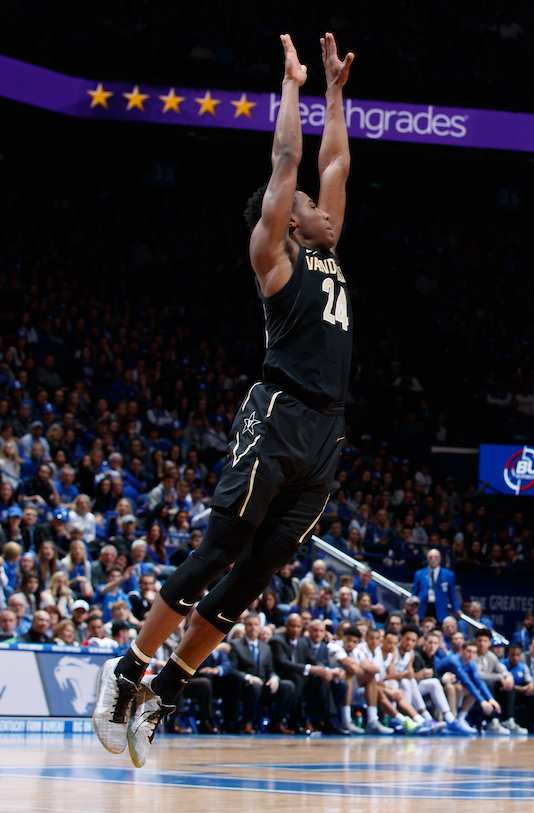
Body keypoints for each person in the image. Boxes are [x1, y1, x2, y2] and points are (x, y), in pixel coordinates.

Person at [95, 32, 358, 768]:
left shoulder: (328, 249)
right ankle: (127, 672)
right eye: (308, 205)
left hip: (325, 434)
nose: (324, 209)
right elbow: (290, 159)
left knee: (256, 574)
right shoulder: (273, 254)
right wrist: (294, 87)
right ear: (287, 218)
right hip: (277, 415)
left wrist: (336, 94)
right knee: (220, 550)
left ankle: (168, 687)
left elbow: (336, 162)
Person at [411, 548, 458, 623]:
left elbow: (452, 594)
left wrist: (457, 608)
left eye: (435, 557)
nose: (433, 559)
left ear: (440, 559)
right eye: (431, 557)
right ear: (427, 559)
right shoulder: (419, 574)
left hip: (440, 609)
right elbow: (414, 593)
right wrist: (412, 608)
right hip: (423, 608)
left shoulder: (448, 575)